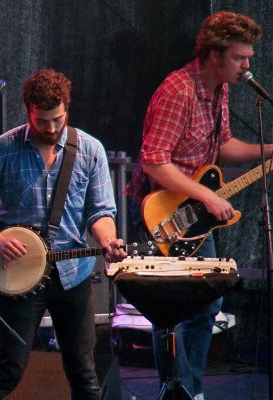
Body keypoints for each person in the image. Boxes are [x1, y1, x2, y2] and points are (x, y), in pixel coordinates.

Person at [0, 69, 127, 399]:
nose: (50, 128)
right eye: (41, 121)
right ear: (28, 111)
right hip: (18, 275)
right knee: (9, 370)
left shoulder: (90, 150)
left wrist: (107, 241)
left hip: (71, 275)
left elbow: (101, 211)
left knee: (84, 373)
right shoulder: (2, 149)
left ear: (67, 109)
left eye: (57, 120)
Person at [126, 11, 272, 400]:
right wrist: (206, 195)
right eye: (241, 58)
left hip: (194, 213)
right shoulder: (179, 91)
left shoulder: (218, 90)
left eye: (249, 59)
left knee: (207, 302)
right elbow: (154, 160)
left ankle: (188, 390)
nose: (246, 66)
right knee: (172, 308)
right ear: (214, 54)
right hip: (165, 213)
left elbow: (224, 146)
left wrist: (269, 150)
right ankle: (178, 390)